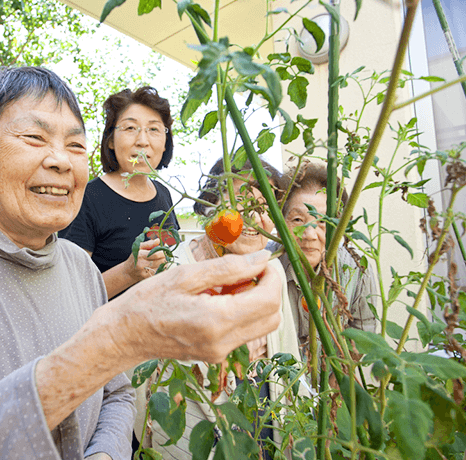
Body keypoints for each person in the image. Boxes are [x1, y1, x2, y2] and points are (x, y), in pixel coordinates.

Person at [0, 66, 283, 460]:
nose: (60, 159)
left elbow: (116, 394)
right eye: (34, 138)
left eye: (75, 144)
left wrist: (106, 453)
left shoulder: (77, 266)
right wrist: (119, 339)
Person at [149, 158, 302, 460]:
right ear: (210, 206)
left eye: (264, 206)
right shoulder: (170, 268)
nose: (253, 218)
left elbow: (288, 358)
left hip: (263, 415)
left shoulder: (271, 272)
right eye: (240, 201)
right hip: (191, 424)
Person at [58, 86, 179, 300]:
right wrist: (127, 273)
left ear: (165, 142)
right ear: (111, 140)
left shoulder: (164, 194)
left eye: (154, 129)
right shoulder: (87, 196)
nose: (143, 140)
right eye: (131, 128)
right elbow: (69, 294)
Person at [279, 162, 378, 352]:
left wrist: (337, 375)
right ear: (281, 221)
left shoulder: (357, 268)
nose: (309, 234)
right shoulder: (267, 264)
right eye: (297, 220)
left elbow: (364, 331)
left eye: (323, 221)